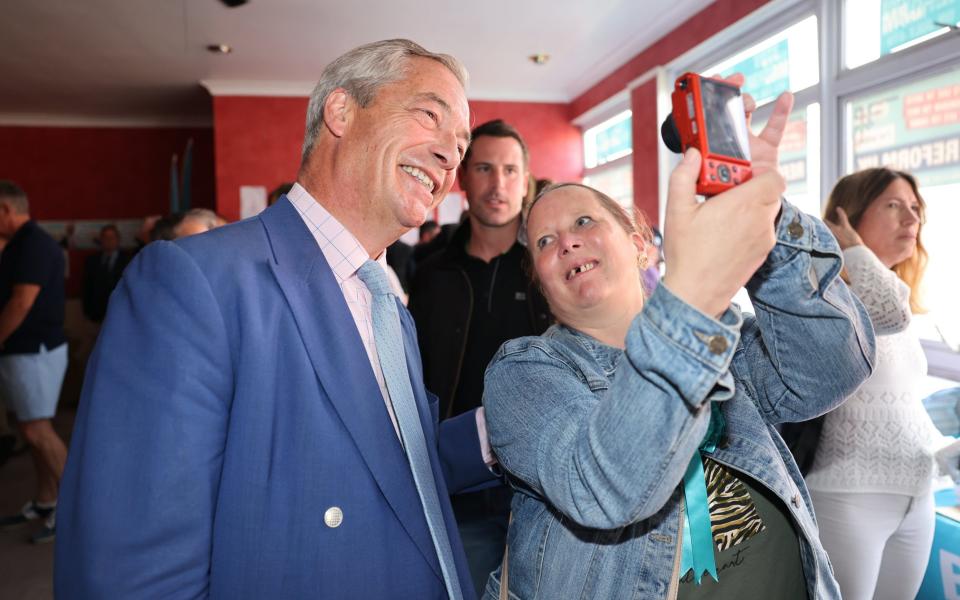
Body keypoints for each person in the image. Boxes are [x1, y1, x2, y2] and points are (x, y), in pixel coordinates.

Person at [56, 39, 494, 599]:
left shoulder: (386, 303)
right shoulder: (194, 282)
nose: (450, 156)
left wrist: (500, 430)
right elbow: (128, 572)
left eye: (460, 144)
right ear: (340, 111)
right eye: (429, 115)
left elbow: (390, 466)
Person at [481, 87, 876, 600]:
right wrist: (693, 297)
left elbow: (831, 369)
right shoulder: (524, 372)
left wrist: (765, 215)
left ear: (641, 243)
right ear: (541, 282)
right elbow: (602, 487)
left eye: (583, 221)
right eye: (544, 242)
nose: (566, 242)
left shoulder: (723, 342)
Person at [408, 119, 551, 594]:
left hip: (544, 490)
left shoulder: (552, 271)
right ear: (463, 178)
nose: (498, 184)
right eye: (485, 169)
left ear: (526, 181)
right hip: (458, 489)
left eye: (511, 171)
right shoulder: (432, 273)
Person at [804, 167, 949, 600]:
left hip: (917, 493)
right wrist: (850, 248)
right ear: (847, 218)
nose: (911, 219)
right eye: (893, 205)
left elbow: (899, 402)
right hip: (849, 498)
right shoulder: (825, 292)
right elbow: (888, 312)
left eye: (915, 208)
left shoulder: (893, 288)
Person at [0, 180, 69, 545]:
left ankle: (75, 511)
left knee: (37, 431)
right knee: (28, 427)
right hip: (22, 350)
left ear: (6, 210)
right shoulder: (19, 243)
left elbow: (21, 303)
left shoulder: (34, 244)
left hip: (34, 349)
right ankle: (47, 499)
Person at [81, 224, 129, 323]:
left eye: (112, 237)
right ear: (101, 240)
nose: (109, 240)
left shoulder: (128, 261)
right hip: (97, 314)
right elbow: (86, 287)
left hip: (120, 314)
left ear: (118, 239)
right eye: (105, 237)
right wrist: (87, 311)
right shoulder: (92, 261)